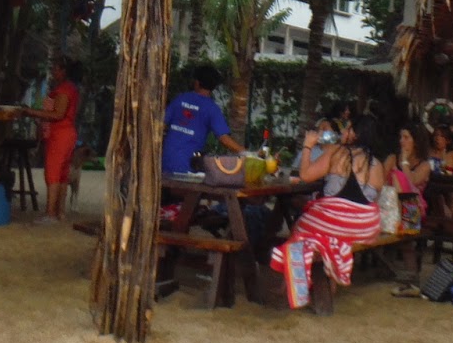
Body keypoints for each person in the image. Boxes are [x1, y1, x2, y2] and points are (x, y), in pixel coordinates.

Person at [270, 115, 385, 303]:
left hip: (336, 221)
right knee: (324, 229)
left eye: (347, 128)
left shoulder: (337, 152)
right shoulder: (377, 164)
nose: (344, 132)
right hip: (365, 227)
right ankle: (327, 280)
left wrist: (308, 146)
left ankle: (291, 284)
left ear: (355, 134)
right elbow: (375, 198)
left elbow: (306, 175)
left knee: (300, 226)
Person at [19, 58, 81, 224]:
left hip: (60, 134)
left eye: (55, 69)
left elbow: (58, 115)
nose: (53, 73)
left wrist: (31, 112)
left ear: (63, 71)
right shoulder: (68, 88)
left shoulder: (64, 90)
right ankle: (59, 212)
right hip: (65, 134)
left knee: (53, 173)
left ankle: (50, 213)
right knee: (61, 174)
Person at [160, 65, 243, 176]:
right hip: (187, 165)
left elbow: (161, 125)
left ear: (197, 82)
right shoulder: (211, 108)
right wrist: (247, 153)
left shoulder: (180, 99)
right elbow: (224, 139)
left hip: (164, 160)